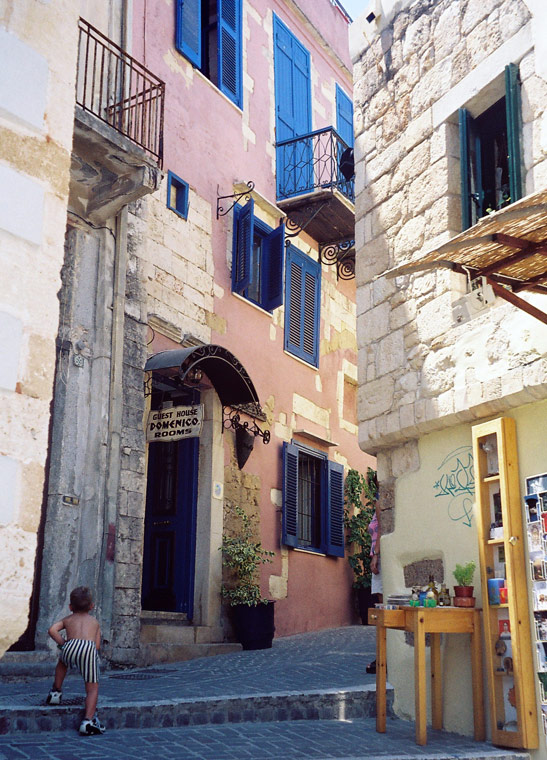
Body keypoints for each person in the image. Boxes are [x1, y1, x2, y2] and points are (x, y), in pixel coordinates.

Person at [46, 586, 106, 736]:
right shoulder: (94, 622)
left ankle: (56, 692)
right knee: (92, 688)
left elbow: (52, 630)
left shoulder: (68, 619)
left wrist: (63, 643)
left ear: (70, 607)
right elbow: (97, 645)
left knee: (62, 663)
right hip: (89, 648)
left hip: (70, 645)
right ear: (92, 606)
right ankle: (88, 721)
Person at [366, 503, 382, 675]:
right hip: (381, 556)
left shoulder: (380, 502)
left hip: (381, 558)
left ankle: (383, 657)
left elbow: (383, 529)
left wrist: (375, 556)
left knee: (383, 611)